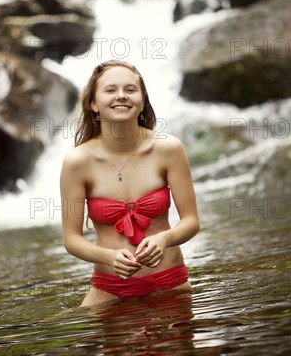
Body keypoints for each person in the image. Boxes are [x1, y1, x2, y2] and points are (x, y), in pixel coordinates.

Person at [60, 60, 200, 307]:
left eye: (130, 90)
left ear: (142, 100)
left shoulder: (168, 149)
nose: (121, 96)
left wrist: (165, 239)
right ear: (93, 103)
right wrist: (108, 256)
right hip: (109, 288)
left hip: (171, 282)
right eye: (111, 90)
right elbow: (72, 239)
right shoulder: (77, 162)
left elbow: (191, 221)